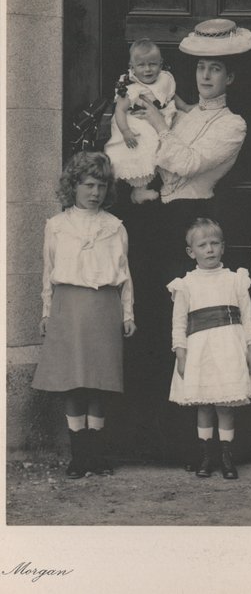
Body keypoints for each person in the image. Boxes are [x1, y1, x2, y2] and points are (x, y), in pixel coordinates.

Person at [132, 19, 251, 469]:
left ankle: (202, 446)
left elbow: (184, 163)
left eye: (216, 70)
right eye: (201, 67)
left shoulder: (233, 125)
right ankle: (158, 442)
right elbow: (151, 159)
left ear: (230, 78)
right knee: (155, 325)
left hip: (190, 222)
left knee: (196, 334)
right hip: (157, 224)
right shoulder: (184, 114)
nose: (206, 76)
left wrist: (157, 126)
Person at [32, 151, 136, 479]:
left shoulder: (114, 226)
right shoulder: (57, 226)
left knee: (99, 384)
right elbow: (48, 271)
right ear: (73, 186)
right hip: (68, 308)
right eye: (89, 185)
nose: (95, 193)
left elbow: (125, 273)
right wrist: (47, 311)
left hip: (104, 306)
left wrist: (127, 313)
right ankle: (79, 456)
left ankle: (96, 453)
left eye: (101, 186)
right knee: (73, 383)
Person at [168, 218, 251, 479]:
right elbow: (178, 323)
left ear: (223, 247)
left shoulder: (235, 280)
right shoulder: (185, 284)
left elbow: (248, 316)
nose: (209, 249)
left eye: (214, 243)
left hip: (230, 350)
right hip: (200, 351)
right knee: (204, 405)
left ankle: (226, 456)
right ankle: (206, 456)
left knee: (225, 405)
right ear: (192, 252)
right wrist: (181, 353)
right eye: (202, 245)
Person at [104, 38, 190, 205]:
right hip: (136, 121)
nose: (148, 69)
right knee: (143, 148)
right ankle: (139, 190)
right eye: (141, 65)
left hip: (160, 116)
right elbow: (120, 110)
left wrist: (185, 106)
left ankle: (169, 184)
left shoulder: (165, 78)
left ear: (160, 64)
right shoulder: (131, 87)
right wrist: (126, 131)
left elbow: (171, 96)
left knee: (168, 144)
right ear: (132, 67)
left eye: (152, 64)